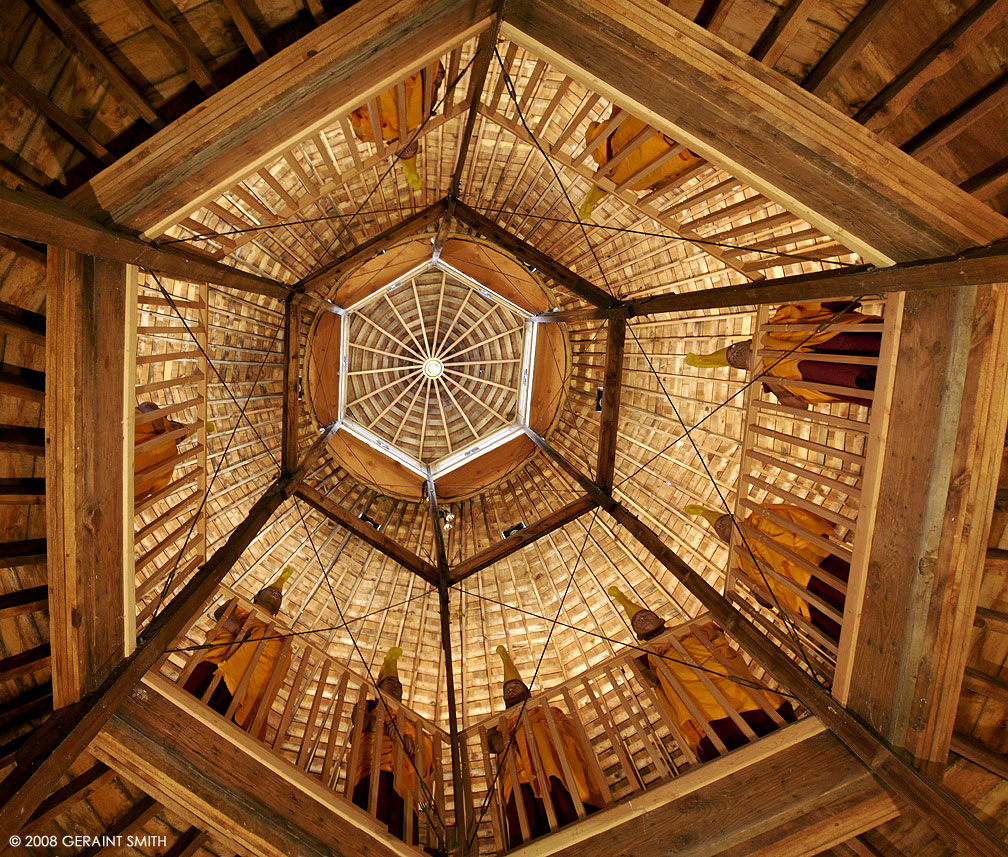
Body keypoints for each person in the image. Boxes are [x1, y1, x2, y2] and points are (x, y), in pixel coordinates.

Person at [608, 586, 796, 763]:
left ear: (662, 619)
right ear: (638, 636)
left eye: (646, 615)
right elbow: (649, 679)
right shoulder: (643, 655)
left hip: (718, 674)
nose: (642, 619)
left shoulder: (692, 628)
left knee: (742, 694)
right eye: (637, 622)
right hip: (690, 693)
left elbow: (717, 639)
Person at [486, 646, 603, 849]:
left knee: (563, 805)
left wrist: (536, 730)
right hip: (518, 773)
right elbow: (494, 745)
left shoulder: (547, 711)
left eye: (515, 686)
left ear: (527, 691)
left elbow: (569, 732)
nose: (511, 690)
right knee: (524, 817)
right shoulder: (497, 724)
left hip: (550, 764)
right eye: (507, 689)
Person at [686, 503, 848, 643]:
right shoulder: (740, 561)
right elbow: (764, 599)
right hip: (801, 598)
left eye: (721, 521)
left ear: (733, 516)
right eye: (718, 530)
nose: (720, 528)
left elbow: (800, 519)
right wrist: (760, 594)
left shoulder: (759, 516)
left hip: (816, 565)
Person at [685, 300, 882, 408]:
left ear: (743, 343)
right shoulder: (768, 377)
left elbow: (800, 310)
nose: (736, 356)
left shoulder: (772, 328)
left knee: (849, 342)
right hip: (806, 371)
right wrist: (765, 376)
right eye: (734, 360)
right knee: (830, 373)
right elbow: (798, 406)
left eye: (734, 351)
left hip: (820, 340)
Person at [182, 568, 293, 739]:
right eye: (271, 590)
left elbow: (281, 658)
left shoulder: (280, 631)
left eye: (279, 595)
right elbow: (222, 613)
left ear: (277, 611)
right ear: (256, 596)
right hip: (217, 662)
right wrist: (243, 633)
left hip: (248, 681)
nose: (276, 593)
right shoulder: (240, 605)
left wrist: (256, 639)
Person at [350, 646, 435, 847]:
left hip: (403, 785)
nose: (396, 688)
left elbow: (425, 757)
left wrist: (413, 745)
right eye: (390, 683)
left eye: (398, 685)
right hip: (370, 772)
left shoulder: (412, 722)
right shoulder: (370, 706)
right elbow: (359, 721)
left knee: (399, 838)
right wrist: (383, 726)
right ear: (378, 688)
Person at [579, 107, 704, 219]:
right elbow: (595, 126)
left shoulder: (637, 186)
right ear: (598, 171)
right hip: (651, 112)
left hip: (689, 148)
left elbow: (672, 176)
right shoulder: (599, 154)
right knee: (616, 123)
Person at [347, 65, 444, 189]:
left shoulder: (373, 135)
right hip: (398, 69)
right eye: (412, 149)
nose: (408, 149)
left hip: (366, 81)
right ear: (416, 140)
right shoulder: (420, 117)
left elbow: (354, 117)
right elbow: (430, 83)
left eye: (404, 152)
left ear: (392, 148)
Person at [134, 401, 184, 500]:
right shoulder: (157, 423)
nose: (178, 433)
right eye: (178, 427)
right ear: (169, 422)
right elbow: (147, 406)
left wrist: (164, 438)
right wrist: (163, 433)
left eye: (181, 437)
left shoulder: (171, 459)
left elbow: (146, 492)